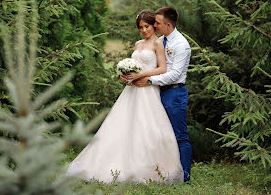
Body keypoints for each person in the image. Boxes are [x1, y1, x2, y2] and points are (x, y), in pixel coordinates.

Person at [66, 10, 184, 183]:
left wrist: (141, 74)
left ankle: (150, 167)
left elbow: (163, 68)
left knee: (147, 126)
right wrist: (126, 74)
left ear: (153, 25)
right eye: (140, 27)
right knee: (122, 124)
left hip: (147, 90)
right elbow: (133, 65)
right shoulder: (138, 44)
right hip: (132, 90)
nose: (144, 30)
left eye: (147, 26)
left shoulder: (158, 43)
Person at [132, 6, 192, 182]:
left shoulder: (181, 45)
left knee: (179, 136)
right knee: (160, 134)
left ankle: (185, 176)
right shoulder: (161, 40)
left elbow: (174, 74)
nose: (154, 25)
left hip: (174, 93)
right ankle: (163, 172)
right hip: (157, 92)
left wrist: (148, 80)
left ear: (167, 24)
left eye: (157, 23)